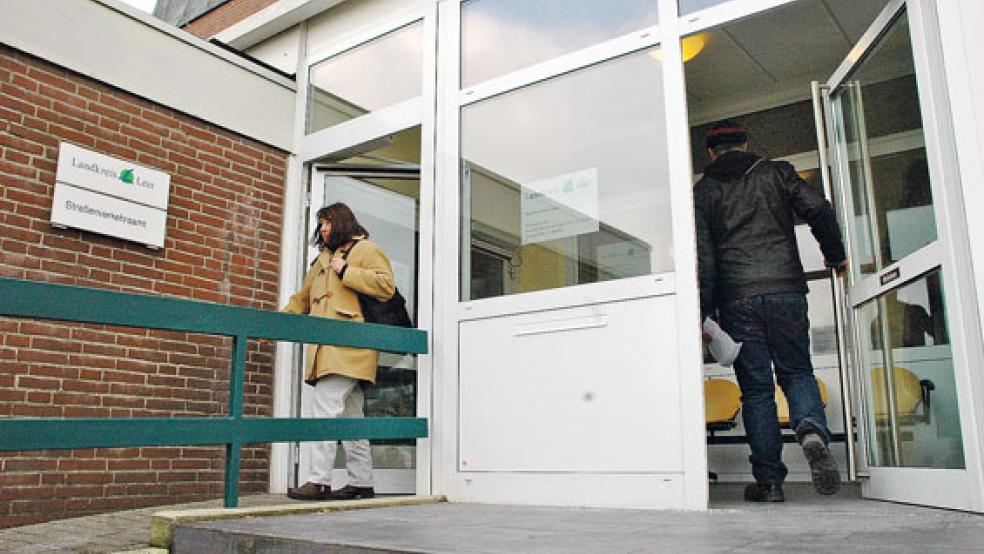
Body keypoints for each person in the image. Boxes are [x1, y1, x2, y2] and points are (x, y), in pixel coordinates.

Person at [694, 120, 847, 502]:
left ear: (710, 153)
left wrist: (704, 314)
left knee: (757, 392)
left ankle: (770, 483)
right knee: (797, 373)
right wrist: (836, 256)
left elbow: (706, 258)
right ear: (745, 143)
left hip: (737, 299)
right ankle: (810, 428)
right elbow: (819, 208)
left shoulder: (704, 191)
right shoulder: (777, 173)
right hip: (786, 292)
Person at [282, 202, 396, 501]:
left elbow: (386, 286)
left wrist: (346, 269)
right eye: (320, 224)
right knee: (351, 417)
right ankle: (362, 482)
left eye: (327, 223)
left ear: (342, 222)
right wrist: (277, 322)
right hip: (324, 349)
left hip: (350, 345)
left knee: (324, 408)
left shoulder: (365, 249)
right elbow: (302, 300)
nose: (322, 229)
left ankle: (318, 480)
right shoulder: (321, 260)